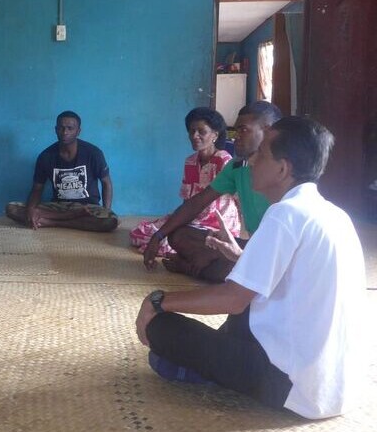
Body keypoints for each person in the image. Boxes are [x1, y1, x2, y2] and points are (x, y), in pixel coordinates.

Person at [135, 116, 366, 419]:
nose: (253, 160)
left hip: (290, 387)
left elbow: (233, 298)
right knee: (244, 307)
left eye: (263, 155)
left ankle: (211, 372)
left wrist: (158, 300)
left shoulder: (285, 214)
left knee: (161, 328)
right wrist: (239, 258)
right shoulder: (334, 214)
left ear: (283, 169)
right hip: (335, 387)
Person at [142, 101, 281, 283]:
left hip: (274, 253)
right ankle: (214, 264)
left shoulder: (283, 169)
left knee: (234, 268)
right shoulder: (237, 166)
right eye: (235, 131)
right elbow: (197, 202)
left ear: (267, 130)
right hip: (250, 246)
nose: (236, 137)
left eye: (243, 130)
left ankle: (192, 267)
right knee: (177, 234)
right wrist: (158, 236)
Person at [130, 107, 241, 255]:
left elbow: (237, 201)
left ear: (215, 135)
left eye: (202, 131)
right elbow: (188, 200)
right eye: (191, 131)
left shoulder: (224, 161)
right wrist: (179, 221)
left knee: (172, 241)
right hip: (192, 217)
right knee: (140, 233)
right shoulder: (190, 161)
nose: (195, 136)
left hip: (217, 223)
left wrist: (234, 229)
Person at [5, 110, 119, 232]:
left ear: (78, 131)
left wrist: (106, 211)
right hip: (58, 207)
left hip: (87, 208)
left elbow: (106, 183)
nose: (65, 132)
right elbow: (37, 188)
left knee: (110, 221)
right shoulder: (46, 156)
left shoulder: (93, 153)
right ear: (55, 129)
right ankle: (67, 218)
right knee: (11, 209)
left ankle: (50, 222)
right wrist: (31, 210)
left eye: (70, 128)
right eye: (61, 128)